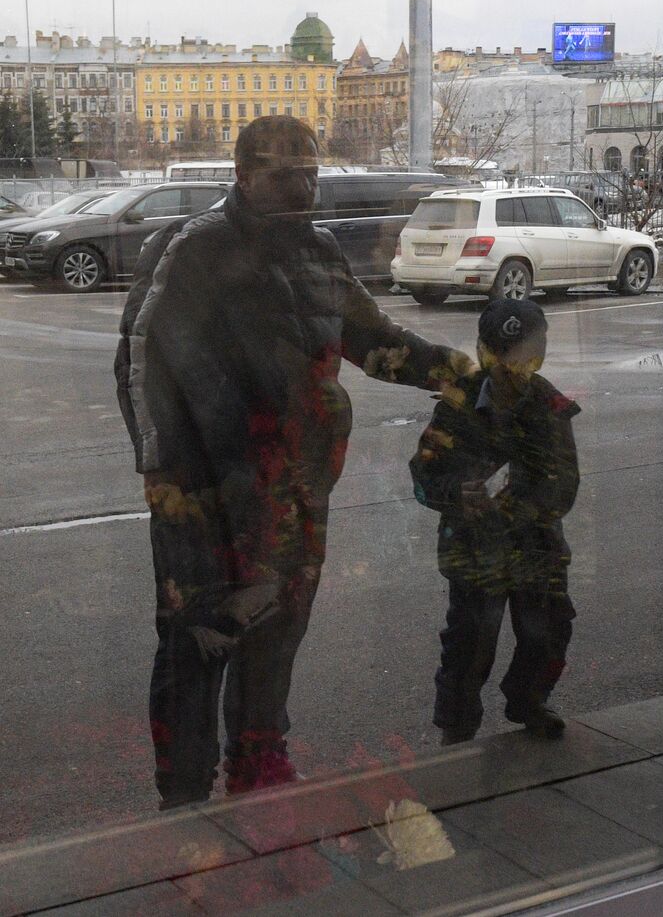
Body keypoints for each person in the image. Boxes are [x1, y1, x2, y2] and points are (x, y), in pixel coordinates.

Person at [122, 115, 473, 807]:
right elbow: (141, 365)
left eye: (311, 173)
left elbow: (376, 341)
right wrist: (165, 483)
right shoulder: (193, 249)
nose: (303, 187)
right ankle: (184, 796)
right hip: (205, 500)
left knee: (277, 630)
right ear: (243, 175)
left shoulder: (319, 253)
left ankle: (259, 768)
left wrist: (461, 373)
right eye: (286, 175)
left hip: (296, 493)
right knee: (198, 641)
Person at [409, 298, 580, 744]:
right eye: (505, 355)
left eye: (526, 355)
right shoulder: (457, 404)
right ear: (486, 351)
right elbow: (424, 474)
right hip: (474, 550)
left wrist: (520, 511)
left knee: (546, 633)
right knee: (469, 641)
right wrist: (456, 495)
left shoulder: (550, 406)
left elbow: (564, 486)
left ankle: (529, 702)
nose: (514, 368)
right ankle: (457, 725)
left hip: (535, 549)